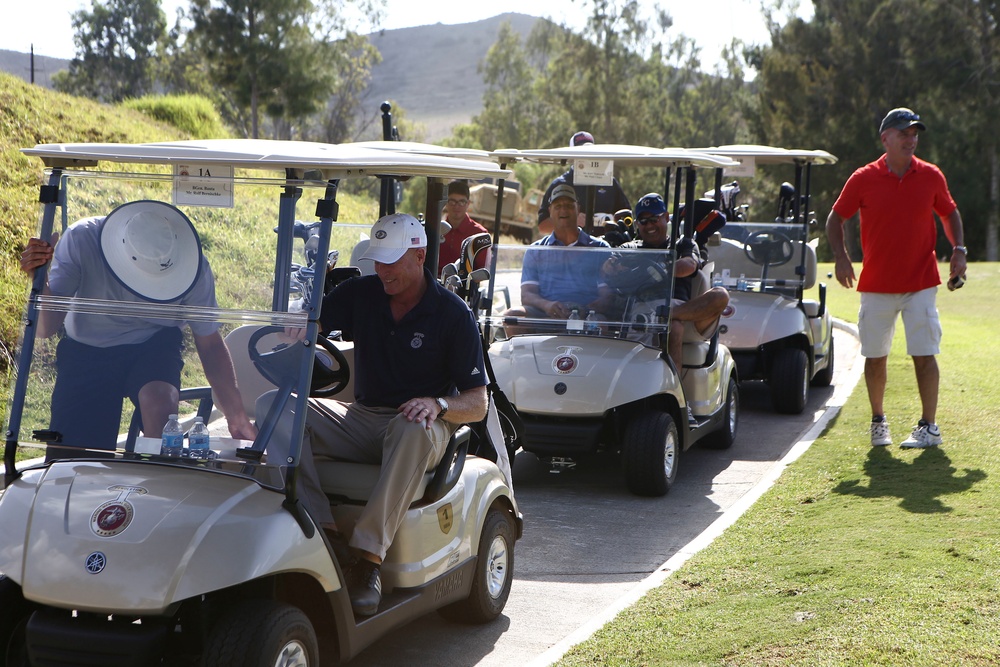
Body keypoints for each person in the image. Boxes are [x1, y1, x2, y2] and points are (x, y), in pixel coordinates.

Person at [271, 212, 488, 616]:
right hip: (363, 417)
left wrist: (439, 404)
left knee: (412, 423)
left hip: (426, 426)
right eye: (379, 259)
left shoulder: (452, 314)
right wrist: (301, 326)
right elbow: (316, 322)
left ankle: (368, 560)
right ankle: (325, 532)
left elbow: (478, 403)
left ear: (419, 254)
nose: (383, 270)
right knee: (276, 406)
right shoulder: (362, 293)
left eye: (392, 260)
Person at [18, 200, 256, 450]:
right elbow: (45, 328)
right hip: (86, 348)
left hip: (153, 343)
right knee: (78, 455)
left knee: (160, 405)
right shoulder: (82, 239)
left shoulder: (194, 269)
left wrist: (236, 414)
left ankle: (157, 475)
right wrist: (40, 281)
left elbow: (209, 344)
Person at [826, 107, 967, 449]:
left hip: (920, 282)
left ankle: (929, 427)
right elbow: (835, 218)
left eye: (915, 133)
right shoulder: (863, 178)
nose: (911, 139)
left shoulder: (931, 175)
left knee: (924, 353)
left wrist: (959, 248)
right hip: (876, 285)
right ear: (885, 137)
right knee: (875, 357)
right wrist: (842, 258)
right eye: (904, 133)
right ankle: (879, 421)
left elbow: (949, 212)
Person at [619, 193, 729, 370]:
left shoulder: (683, 244)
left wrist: (659, 271)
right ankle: (671, 389)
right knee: (674, 327)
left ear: (666, 218)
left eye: (654, 219)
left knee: (720, 295)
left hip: (685, 311)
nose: (649, 225)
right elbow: (615, 269)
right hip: (644, 310)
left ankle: (668, 315)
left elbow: (689, 265)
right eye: (643, 221)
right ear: (637, 224)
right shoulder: (631, 247)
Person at [503, 183, 614, 333]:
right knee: (512, 317)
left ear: (578, 209)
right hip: (545, 314)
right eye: (558, 206)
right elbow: (527, 294)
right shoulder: (536, 250)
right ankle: (522, 357)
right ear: (550, 211)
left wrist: (585, 310)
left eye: (569, 205)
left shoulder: (600, 248)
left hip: (588, 316)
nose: (563, 210)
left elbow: (607, 296)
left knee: (601, 324)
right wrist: (547, 305)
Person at [536, 131, 631, 235]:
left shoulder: (609, 182)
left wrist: (610, 220)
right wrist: (571, 221)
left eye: (589, 151)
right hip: (572, 249)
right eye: (580, 152)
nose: (585, 156)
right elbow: (543, 227)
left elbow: (627, 219)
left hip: (604, 248)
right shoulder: (560, 185)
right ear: (571, 156)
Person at [437, 179, 490, 275]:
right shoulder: (436, 229)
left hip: (465, 286)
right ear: (445, 203)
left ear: (468, 204)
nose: (457, 206)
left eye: (461, 202)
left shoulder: (479, 234)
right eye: (452, 201)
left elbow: (480, 270)